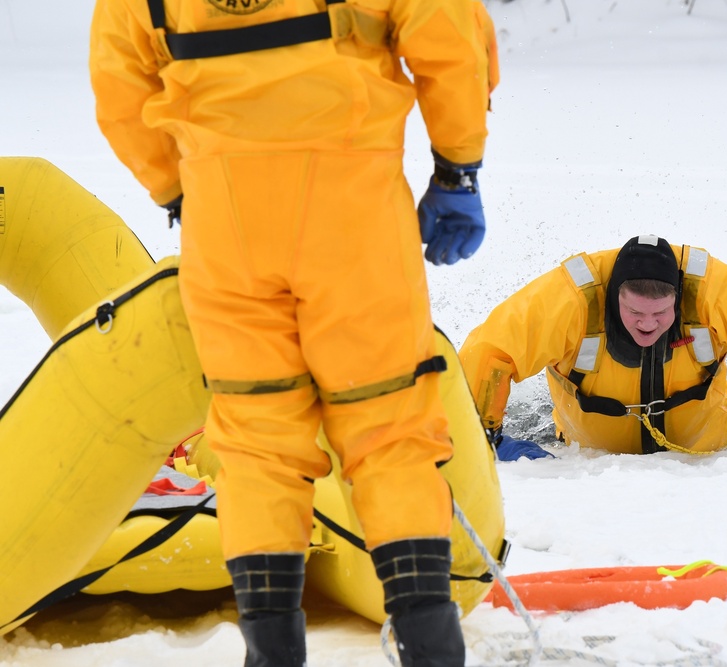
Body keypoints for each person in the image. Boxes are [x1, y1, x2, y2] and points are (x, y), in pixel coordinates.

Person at [90, 1, 498, 665]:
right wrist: (457, 165)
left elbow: (117, 85)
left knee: (256, 437)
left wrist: (180, 188)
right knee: (388, 421)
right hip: (352, 203)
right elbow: (448, 33)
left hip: (224, 218)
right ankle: (429, 642)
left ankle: (271, 647)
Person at [459, 235, 727, 460]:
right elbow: (490, 351)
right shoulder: (570, 301)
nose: (647, 324)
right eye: (634, 311)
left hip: (715, 440)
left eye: (660, 312)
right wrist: (481, 439)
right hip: (586, 446)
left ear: (678, 297)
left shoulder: (711, 292)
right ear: (613, 297)